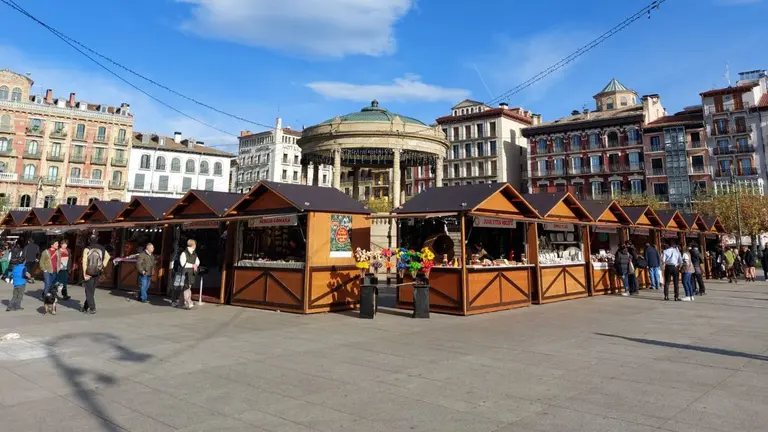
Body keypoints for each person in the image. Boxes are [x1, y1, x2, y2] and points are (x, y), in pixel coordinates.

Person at [81, 236, 110, 314]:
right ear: (97, 240)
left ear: (89, 240)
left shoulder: (87, 249)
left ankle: (92, 308)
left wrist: (84, 274)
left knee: (88, 291)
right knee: (92, 290)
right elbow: (108, 257)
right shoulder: (102, 248)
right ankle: (85, 306)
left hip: (89, 272)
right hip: (97, 272)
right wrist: (102, 266)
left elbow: (84, 262)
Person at [175, 239, 200, 310]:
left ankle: (181, 303)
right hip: (185, 273)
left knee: (187, 287)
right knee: (186, 288)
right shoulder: (184, 253)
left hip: (192, 273)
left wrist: (195, 265)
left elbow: (198, 261)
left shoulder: (194, 253)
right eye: (195, 244)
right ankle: (189, 303)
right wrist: (193, 265)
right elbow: (183, 264)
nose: (196, 246)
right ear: (193, 245)